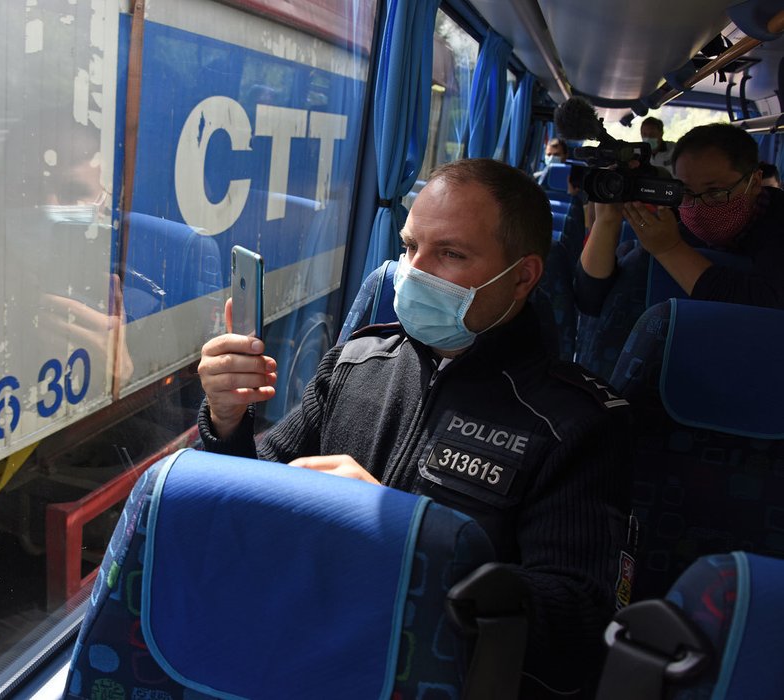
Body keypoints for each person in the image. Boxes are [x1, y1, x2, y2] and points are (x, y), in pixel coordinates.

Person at [198, 158, 633, 697]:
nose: (415, 272)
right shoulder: (354, 362)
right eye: (409, 248)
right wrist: (226, 418)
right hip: (300, 645)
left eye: (450, 254)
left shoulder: (575, 423)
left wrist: (405, 537)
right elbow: (253, 498)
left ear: (522, 276)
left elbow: (578, 622)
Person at [574, 123, 784, 378]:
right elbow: (592, 303)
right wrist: (606, 221)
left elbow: (767, 307)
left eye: (716, 192)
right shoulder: (676, 221)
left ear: (755, 181)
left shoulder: (777, 223)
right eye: (685, 192)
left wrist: (669, 250)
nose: (698, 206)